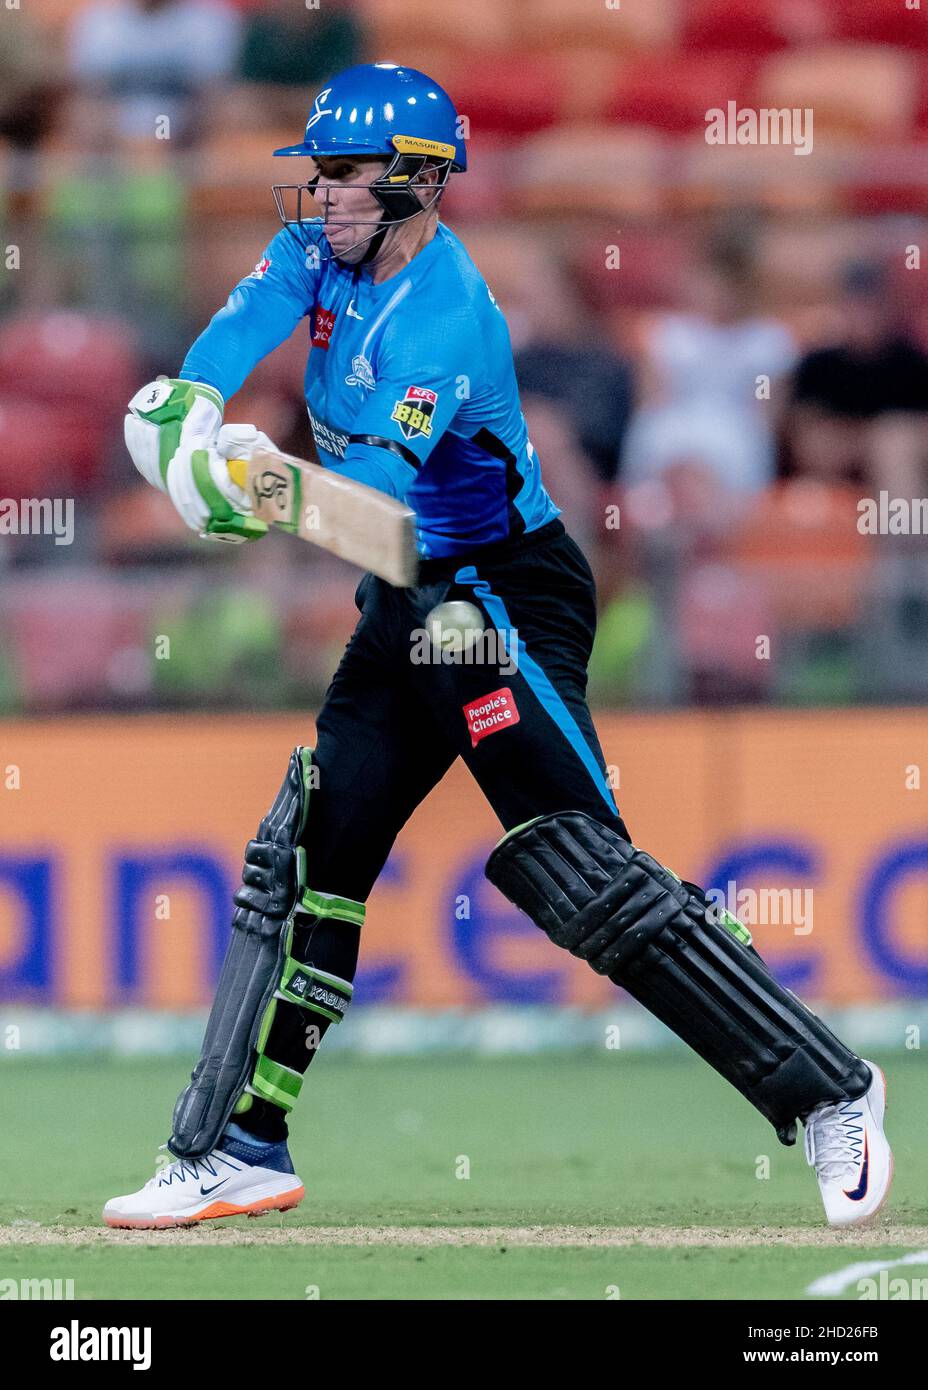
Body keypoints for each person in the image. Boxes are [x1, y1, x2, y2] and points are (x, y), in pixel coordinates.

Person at [107, 63, 891, 1231]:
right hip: (403, 596)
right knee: (310, 855)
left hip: (496, 598)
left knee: (583, 872)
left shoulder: (447, 320)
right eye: (315, 172)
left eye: (345, 175)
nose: (320, 195)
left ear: (418, 181)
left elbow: (368, 505)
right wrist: (184, 405)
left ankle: (832, 1088)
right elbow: (237, 331)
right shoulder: (323, 248)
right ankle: (239, 1146)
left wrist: (243, 485)